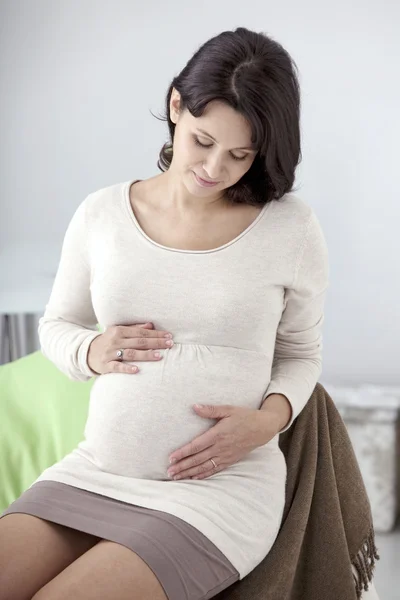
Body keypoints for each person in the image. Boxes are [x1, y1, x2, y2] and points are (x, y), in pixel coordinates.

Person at [0, 26, 330, 600]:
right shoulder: (102, 213)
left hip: (217, 493)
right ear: (177, 105)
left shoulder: (290, 227)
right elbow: (58, 326)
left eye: (240, 155)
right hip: (96, 471)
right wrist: (91, 351)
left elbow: (301, 353)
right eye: (203, 141)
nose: (214, 168)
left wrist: (267, 421)